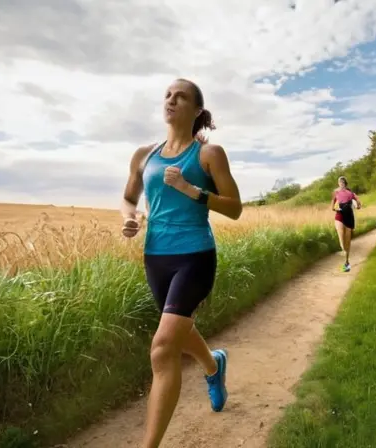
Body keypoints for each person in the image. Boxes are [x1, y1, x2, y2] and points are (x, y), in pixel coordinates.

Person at [120, 78, 243, 448]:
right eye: (168, 95)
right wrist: (131, 218)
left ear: (196, 111)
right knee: (180, 329)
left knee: (162, 347)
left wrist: (193, 191)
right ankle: (212, 365)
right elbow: (129, 198)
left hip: (194, 256)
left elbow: (235, 208)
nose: (171, 101)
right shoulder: (145, 155)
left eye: (181, 97)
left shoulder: (208, 155)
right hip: (156, 257)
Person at [331, 176, 361, 272]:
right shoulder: (335, 193)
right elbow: (332, 207)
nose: (341, 183)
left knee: (348, 241)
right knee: (341, 235)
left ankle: (346, 262)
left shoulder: (351, 193)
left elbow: (358, 205)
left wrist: (357, 204)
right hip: (339, 215)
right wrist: (336, 208)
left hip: (349, 217)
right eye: (340, 182)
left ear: (345, 183)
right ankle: (343, 250)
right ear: (338, 183)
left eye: (343, 182)